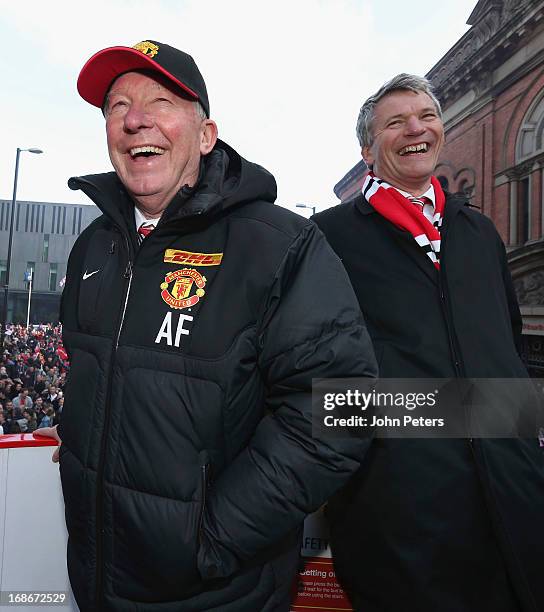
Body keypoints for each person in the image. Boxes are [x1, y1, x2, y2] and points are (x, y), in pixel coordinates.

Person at [35, 39, 376, 611]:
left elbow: (340, 408)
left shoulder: (279, 247)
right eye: (117, 106)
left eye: (161, 101)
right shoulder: (92, 245)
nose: (136, 119)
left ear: (206, 135)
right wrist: (81, 438)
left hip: (219, 592)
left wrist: (214, 537)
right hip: (97, 578)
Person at [312, 74, 544, 611]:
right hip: (401, 508)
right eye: (395, 122)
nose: (416, 129)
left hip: (509, 493)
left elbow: (508, 349)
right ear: (367, 149)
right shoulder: (328, 238)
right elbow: (314, 376)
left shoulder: (478, 232)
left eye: (426, 116)